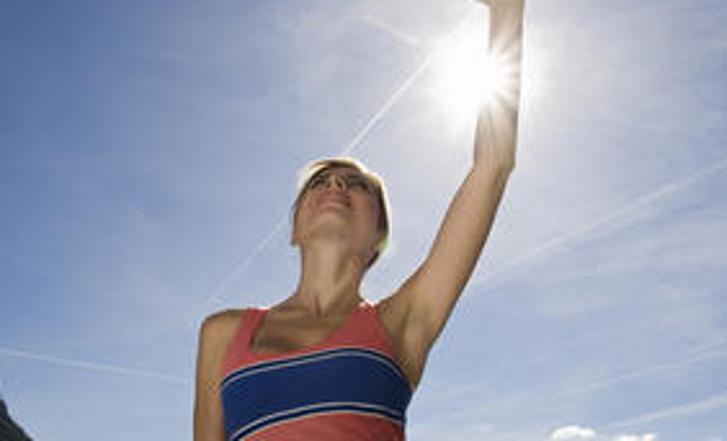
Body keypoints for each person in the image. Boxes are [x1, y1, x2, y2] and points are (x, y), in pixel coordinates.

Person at [193, 0, 524, 439]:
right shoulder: (223, 333)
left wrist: (506, 12)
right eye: (320, 183)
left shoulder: (401, 323)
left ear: (379, 238)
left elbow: (492, 166)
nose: (335, 185)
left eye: (357, 185)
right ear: (295, 231)